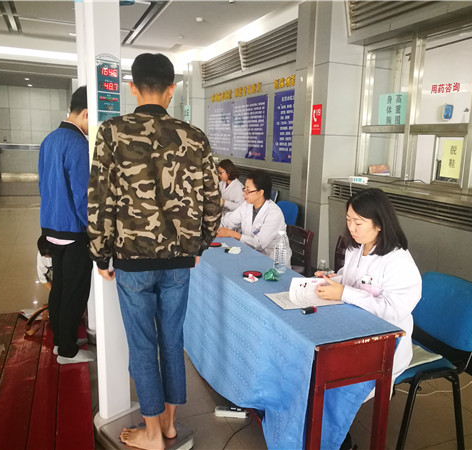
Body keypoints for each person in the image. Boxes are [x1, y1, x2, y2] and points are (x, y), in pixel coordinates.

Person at [88, 53, 222, 450]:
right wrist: (199, 245)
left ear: (132, 87)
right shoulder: (194, 136)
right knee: (172, 340)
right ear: (171, 89)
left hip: (132, 260)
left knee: (143, 345)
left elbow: (98, 199)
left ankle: (152, 434)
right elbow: (212, 200)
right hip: (180, 260)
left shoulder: (111, 132)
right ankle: (168, 426)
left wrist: (100, 254)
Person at [314, 188, 422, 448]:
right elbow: (352, 278)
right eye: (348, 219)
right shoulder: (357, 247)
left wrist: (344, 293)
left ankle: (334, 441)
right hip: (353, 330)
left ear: (379, 224)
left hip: (385, 344)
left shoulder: (398, 261)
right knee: (314, 368)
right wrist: (334, 279)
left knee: (332, 384)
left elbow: (393, 310)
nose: (351, 228)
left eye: (358, 222)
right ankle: (316, 433)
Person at [39, 86, 94, 365]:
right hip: (73, 231)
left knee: (60, 287)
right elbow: (82, 194)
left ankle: (61, 341)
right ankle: (68, 352)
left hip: (51, 227)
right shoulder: (78, 144)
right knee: (75, 292)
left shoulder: (49, 140)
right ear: (87, 113)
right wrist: (92, 229)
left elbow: (43, 185)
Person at [217, 169, 291, 265]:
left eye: (248, 191)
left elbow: (259, 244)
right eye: (244, 189)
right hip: (252, 255)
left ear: (260, 193)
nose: (244, 193)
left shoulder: (274, 213)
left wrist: (233, 234)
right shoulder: (247, 205)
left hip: (273, 261)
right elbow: (227, 221)